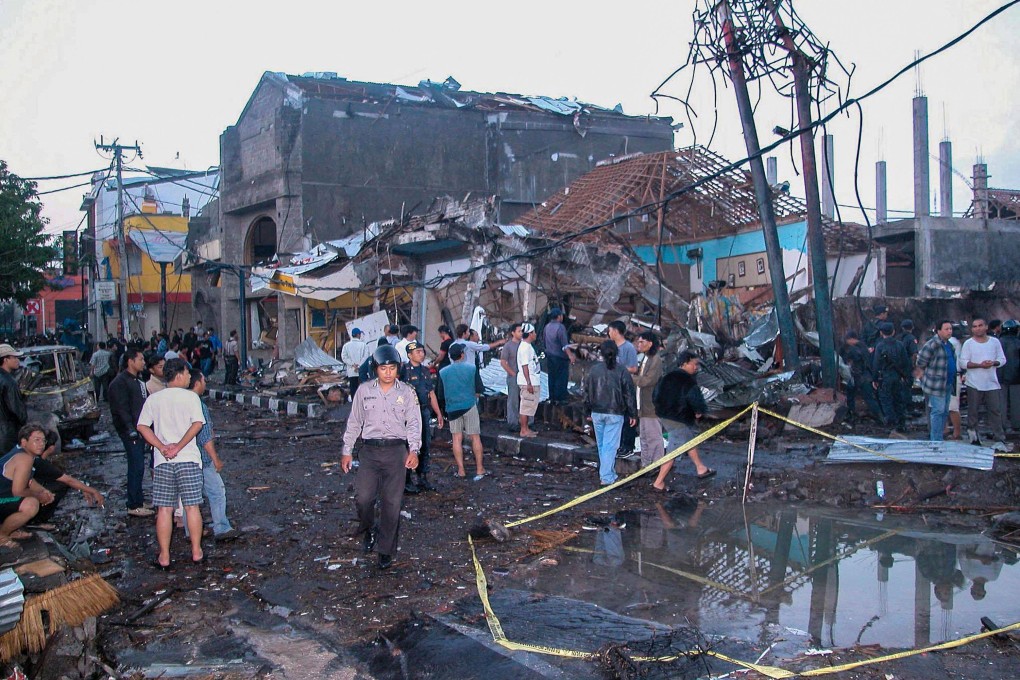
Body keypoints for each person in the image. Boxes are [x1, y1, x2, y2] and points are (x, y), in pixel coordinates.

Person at [341, 345, 421, 570]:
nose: (388, 372)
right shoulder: (364, 391)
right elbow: (355, 422)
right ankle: (368, 529)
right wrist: (347, 450)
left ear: (398, 369)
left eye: (392, 368)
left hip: (396, 452)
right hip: (369, 452)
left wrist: (414, 450)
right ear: (376, 369)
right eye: (383, 368)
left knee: (392, 504)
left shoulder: (406, 393)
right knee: (363, 499)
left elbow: (414, 422)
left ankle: (385, 550)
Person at [136, 358, 208, 569]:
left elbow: (142, 426)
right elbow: (197, 424)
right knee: (192, 507)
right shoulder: (190, 398)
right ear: (179, 374)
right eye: (187, 373)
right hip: (187, 459)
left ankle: (165, 556)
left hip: (163, 461)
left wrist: (161, 446)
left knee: (165, 510)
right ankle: (196, 551)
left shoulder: (154, 399)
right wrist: (178, 446)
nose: (188, 377)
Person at [189, 369, 239, 541]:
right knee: (217, 492)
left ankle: (191, 532)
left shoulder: (179, 402)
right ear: (197, 383)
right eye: (203, 380)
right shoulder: (198, 405)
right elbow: (205, 435)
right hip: (202, 457)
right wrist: (215, 459)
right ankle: (221, 527)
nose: (205, 383)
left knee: (191, 498)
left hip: (185, 457)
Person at [654, 350, 715, 479]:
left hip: (664, 415)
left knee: (689, 441)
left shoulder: (667, 376)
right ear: (685, 363)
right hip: (678, 418)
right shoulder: (688, 381)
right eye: (694, 364)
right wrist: (699, 411)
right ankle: (658, 481)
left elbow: (655, 394)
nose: (696, 367)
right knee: (674, 449)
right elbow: (695, 399)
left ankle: (701, 468)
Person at [583, 340, 636, 487]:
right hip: (615, 412)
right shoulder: (622, 371)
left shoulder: (594, 370)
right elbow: (629, 394)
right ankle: (607, 477)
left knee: (602, 445)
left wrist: (587, 411)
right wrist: (633, 414)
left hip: (597, 411)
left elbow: (587, 392)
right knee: (609, 446)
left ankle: (608, 473)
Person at [108, 348, 154, 517]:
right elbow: (121, 410)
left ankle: (139, 500)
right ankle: (133, 504)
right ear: (130, 361)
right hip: (131, 432)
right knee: (136, 466)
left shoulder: (137, 381)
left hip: (141, 430)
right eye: (140, 359)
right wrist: (131, 430)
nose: (143, 362)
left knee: (139, 466)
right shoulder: (119, 383)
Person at [0, 424, 57, 543]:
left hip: (3, 497)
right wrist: (40, 496)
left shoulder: (23, 453)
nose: (42, 444)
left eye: (43, 440)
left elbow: (28, 481)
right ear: (24, 442)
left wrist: (43, 491)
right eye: (36, 440)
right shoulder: (24, 459)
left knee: (32, 497)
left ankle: (9, 530)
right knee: (31, 504)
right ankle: (2, 537)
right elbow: (18, 491)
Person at [960, 317, 1010, 451]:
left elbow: (1002, 359)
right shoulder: (968, 344)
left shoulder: (995, 342)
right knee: (973, 411)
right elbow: (963, 362)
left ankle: (999, 438)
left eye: (980, 325)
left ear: (986, 327)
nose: (978, 328)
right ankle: (973, 436)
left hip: (992, 383)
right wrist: (979, 365)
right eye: (975, 326)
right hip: (974, 383)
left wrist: (993, 363)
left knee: (995, 411)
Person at [399, 341, 444, 492]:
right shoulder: (403, 370)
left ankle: (422, 477)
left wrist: (438, 413)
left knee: (424, 444)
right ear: (410, 355)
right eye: (418, 352)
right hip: (408, 413)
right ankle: (405, 480)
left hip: (423, 412)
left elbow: (431, 394)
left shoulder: (425, 371)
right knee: (408, 445)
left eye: (422, 351)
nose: (421, 354)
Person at [440, 344, 487, 481]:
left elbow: (440, 394)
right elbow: (479, 389)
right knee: (475, 437)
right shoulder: (471, 369)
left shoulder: (443, 372)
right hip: (469, 405)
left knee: (456, 439)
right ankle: (479, 468)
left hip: (452, 408)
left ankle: (461, 470)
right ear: (462, 354)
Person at [632, 333, 672, 491]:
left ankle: (656, 464)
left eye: (642, 342)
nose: (639, 344)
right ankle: (646, 463)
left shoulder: (655, 360)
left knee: (654, 437)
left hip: (651, 406)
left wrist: (631, 378)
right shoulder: (645, 358)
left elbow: (648, 380)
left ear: (650, 343)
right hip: (643, 405)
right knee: (644, 436)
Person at [915, 320, 957, 442]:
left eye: (950, 329)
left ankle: (940, 436)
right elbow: (921, 362)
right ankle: (936, 440)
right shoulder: (932, 345)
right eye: (946, 329)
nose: (949, 331)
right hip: (936, 385)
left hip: (948, 383)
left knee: (944, 411)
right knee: (937, 411)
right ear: (938, 331)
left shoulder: (949, 345)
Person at [872, 322, 911, 437]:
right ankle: (901, 423)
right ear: (893, 331)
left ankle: (891, 423)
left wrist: (875, 379)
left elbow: (876, 364)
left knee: (886, 400)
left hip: (885, 377)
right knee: (898, 399)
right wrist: (906, 376)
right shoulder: (900, 345)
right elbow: (906, 362)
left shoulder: (880, 346)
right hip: (898, 376)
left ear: (881, 333)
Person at [608, 320, 638, 457]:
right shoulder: (611, 347)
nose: (608, 333)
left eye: (610, 330)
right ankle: (618, 444)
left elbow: (633, 368)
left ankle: (628, 446)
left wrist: (618, 368)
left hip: (625, 387)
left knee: (628, 417)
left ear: (615, 331)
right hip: (612, 387)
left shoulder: (628, 348)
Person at [840, 331, 883, 425]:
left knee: (867, 398)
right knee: (856, 394)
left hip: (860, 377)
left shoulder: (854, 350)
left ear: (852, 339)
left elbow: (849, 360)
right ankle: (879, 417)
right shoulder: (863, 346)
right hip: (866, 375)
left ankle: (880, 418)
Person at [543, 308, 575, 404]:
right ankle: (560, 399)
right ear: (559, 316)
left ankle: (552, 397)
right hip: (560, 357)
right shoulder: (560, 327)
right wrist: (570, 355)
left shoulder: (546, 327)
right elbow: (564, 345)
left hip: (550, 356)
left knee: (552, 377)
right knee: (561, 377)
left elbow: (544, 342)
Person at [0, 344, 27, 456]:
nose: (17, 360)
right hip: (7, 433)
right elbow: (16, 409)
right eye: (14, 357)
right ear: (5, 360)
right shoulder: (9, 382)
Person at [516, 323, 542, 438]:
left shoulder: (527, 346)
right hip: (528, 381)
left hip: (531, 380)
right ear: (530, 334)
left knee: (528, 406)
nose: (535, 334)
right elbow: (525, 366)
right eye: (534, 332)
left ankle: (526, 428)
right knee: (525, 406)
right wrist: (529, 383)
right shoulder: (525, 348)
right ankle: (523, 430)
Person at [500, 323, 525, 432]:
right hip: (513, 376)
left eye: (522, 331)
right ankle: (512, 422)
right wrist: (512, 373)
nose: (521, 333)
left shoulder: (524, 345)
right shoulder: (508, 346)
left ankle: (526, 422)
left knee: (525, 400)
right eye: (519, 331)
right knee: (513, 400)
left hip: (524, 376)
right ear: (513, 333)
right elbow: (503, 362)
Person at [996, 319, 1020, 432]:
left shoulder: (998, 342)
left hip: (1000, 376)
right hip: (1016, 376)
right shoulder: (1018, 342)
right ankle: (1016, 424)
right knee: (1016, 403)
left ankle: (1002, 424)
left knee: (1001, 403)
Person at [340, 328, 370, 397]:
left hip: (351, 371)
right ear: (358, 335)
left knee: (353, 388)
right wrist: (359, 366)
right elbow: (366, 357)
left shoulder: (346, 346)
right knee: (362, 388)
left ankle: (354, 404)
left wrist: (353, 364)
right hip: (361, 371)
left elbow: (344, 357)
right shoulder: (364, 345)